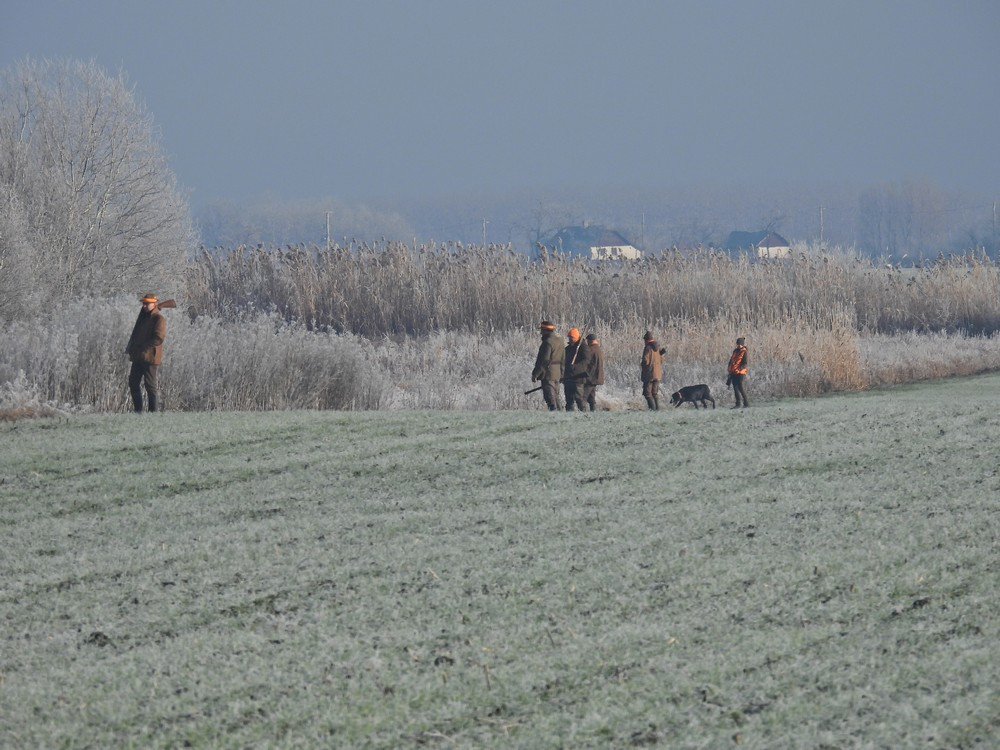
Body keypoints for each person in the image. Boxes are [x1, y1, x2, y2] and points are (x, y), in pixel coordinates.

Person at [125, 293, 166, 413]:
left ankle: (153, 412)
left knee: (150, 386)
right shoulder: (143, 317)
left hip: (150, 357)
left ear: (154, 304)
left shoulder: (159, 319)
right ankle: (138, 412)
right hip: (138, 356)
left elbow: (159, 338)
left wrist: (144, 346)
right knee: (133, 383)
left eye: (147, 303)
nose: (144, 306)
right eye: (144, 303)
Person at [531, 320, 565, 411]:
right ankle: (560, 414)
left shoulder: (547, 342)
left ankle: (554, 415)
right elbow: (563, 359)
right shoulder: (560, 341)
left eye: (542, 330)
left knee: (550, 397)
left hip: (548, 373)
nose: (541, 332)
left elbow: (544, 361)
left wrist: (536, 374)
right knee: (556, 397)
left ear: (546, 330)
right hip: (557, 373)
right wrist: (562, 374)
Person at [563, 328, 587, 411]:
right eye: (569, 337)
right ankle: (569, 416)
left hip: (578, 378)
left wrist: (575, 367)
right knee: (569, 400)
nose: (570, 339)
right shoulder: (568, 349)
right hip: (568, 378)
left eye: (572, 337)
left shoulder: (583, 347)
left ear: (576, 337)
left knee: (579, 399)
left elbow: (586, 362)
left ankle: (585, 415)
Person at [640, 331, 665, 410]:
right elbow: (661, 361)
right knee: (654, 393)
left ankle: (652, 410)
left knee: (647, 393)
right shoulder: (658, 348)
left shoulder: (647, 348)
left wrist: (642, 365)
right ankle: (657, 410)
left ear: (646, 340)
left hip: (649, 374)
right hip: (658, 374)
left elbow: (645, 361)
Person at [580, 333, 605, 412]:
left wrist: (582, 344)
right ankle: (593, 411)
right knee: (591, 397)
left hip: (591, 378)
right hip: (596, 377)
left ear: (590, 341)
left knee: (583, 397)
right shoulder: (598, 349)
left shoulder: (591, 349)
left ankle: (582, 413)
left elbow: (587, 360)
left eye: (588, 341)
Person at [727, 336, 749, 408]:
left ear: (742, 344)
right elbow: (731, 360)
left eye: (740, 344)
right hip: (733, 372)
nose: (739, 345)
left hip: (741, 372)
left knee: (740, 387)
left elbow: (745, 363)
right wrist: (729, 367)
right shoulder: (735, 351)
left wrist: (739, 369)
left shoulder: (744, 352)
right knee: (735, 388)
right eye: (738, 344)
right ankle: (738, 404)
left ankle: (746, 403)